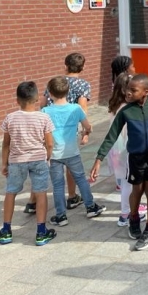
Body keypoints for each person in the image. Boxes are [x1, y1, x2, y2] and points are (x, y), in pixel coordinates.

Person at [89, 74, 148, 251]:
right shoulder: (126, 111)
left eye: (133, 90)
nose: (128, 92)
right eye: (128, 88)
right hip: (135, 156)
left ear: (146, 92)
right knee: (137, 189)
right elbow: (111, 135)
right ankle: (133, 218)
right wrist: (99, 159)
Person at [0, 81, 56, 246]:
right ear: (37, 98)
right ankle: (41, 232)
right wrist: (47, 157)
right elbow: (50, 143)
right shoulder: (44, 117)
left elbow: (6, 143)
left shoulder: (10, 118)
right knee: (41, 193)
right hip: (38, 160)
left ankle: (6, 230)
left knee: (11, 192)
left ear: (17, 100)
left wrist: (4, 163)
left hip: (17, 161)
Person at [43, 77, 106, 227]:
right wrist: (87, 131)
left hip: (54, 155)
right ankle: (90, 207)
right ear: (68, 91)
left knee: (58, 185)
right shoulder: (76, 108)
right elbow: (87, 126)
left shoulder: (45, 111)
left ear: (50, 93)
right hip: (72, 152)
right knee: (81, 179)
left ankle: (61, 216)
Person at [33, 52, 91, 213]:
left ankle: (33, 202)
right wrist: (85, 133)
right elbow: (83, 107)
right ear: (83, 67)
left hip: (51, 126)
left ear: (65, 66)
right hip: (72, 124)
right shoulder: (84, 84)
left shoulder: (54, 82)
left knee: (47, 165)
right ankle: (72, 196)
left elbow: (43, 103)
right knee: (71, 163)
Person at [107, 72, 147, 227]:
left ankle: (130, 209)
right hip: (126, 150)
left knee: (126, 182)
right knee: (128, 183)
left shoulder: (114, 105)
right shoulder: (127, 108)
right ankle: (126, 214)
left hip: (117, 149)